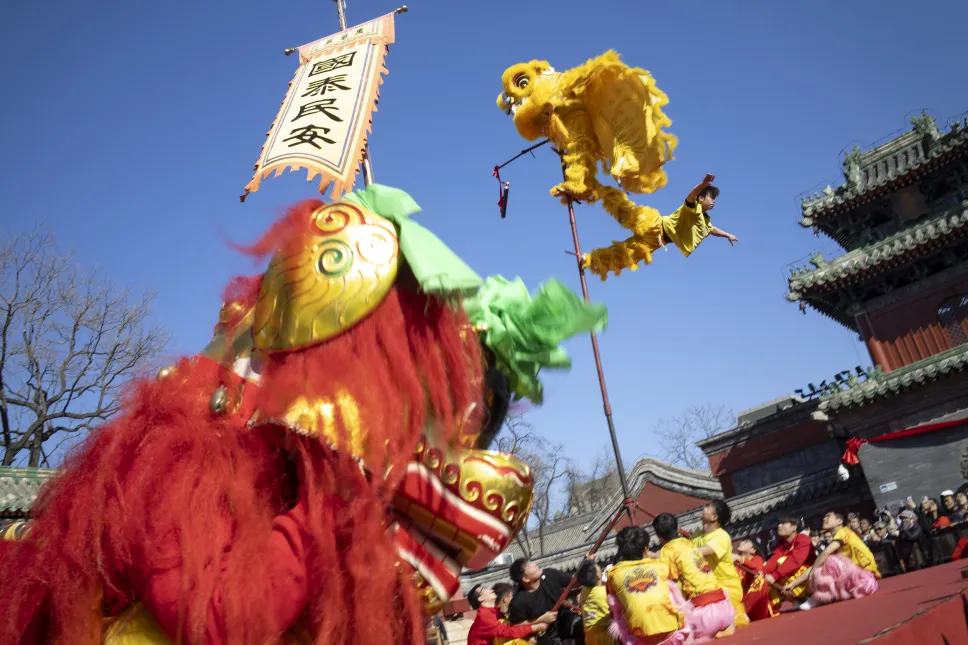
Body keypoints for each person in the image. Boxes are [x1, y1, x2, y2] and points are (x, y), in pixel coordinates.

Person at [653, 513, 735, 641]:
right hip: (726, 607)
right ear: (676, 527)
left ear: (658, 535)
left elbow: (671, 586)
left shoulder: (666, 551)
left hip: (704, 616)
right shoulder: (689, 543)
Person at [605, 526, 687, 645]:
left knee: (619, 603)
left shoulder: (613, 574)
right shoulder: (661, 566)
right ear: (645, 550)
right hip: (673, 634)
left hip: (641, 640)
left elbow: (614, 610)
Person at [782, 510, 879, 606]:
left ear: (839, 521)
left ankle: (816, 598)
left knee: (830, 560)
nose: (824, 519)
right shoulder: (839, 538)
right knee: (826, 562)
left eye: (828, 516)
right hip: (857, 581)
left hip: (865, 580)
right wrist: (793, 584)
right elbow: (819, 563)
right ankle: (818, 597)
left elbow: (825, 554)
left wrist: (813, 575)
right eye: (824, 517)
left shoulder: (844, 532)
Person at [691, 500, 749, 628]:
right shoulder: (697, 535)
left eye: (709, 506)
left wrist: (680, 550)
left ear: (714, 517)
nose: (705, 506)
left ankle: (738, 614)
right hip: (707, 587)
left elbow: (703, 552)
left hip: (726, 587)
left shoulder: (722, 537)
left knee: (724, 625)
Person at [660, 174, 738, 258]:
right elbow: (691, 196)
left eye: (714, 199)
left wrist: (728, 235)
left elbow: (712, 230)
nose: (714, 201)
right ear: (701, 198)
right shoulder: (694, 207)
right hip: (657, 226)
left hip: (663, 239)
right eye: (712, 197)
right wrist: (703, 185)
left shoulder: (705, 220)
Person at [508, 559, 583, 645]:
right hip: (545, 633)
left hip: (564, 619)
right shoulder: (518, 601)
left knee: (581, 625)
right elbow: (515, 626)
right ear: (525, 579)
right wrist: (541, 619)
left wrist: (586, 564)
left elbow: (575, 581)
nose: (535, 564)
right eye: (529, 566)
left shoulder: (549, 574)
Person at [760, 517, 816, 612]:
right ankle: (794, 599)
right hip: (794, 576)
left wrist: (774, 576)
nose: (779, 526)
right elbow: (774, 560)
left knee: (782, 564)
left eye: (783, 523)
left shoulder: (803, 539)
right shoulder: (781, 544)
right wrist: (762, 572)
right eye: (779, 524)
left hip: (808, 576)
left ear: (794, 527)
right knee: (769, 574)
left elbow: (794, 561)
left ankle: (805, 596)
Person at [467, 584, 553, 645]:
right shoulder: (484, 616)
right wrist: (536, 627)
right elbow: (507, 631)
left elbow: (511, 627)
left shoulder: (493, 612)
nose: (489, 588)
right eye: (484, 588)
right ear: (480, 598)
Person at [577, 558, 614, 645]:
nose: (599, 566)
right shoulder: (602, 593)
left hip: (590, 635)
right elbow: (610, 614)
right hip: (604, 636)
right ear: (598, 575)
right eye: (597, 566)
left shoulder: (585, 590)